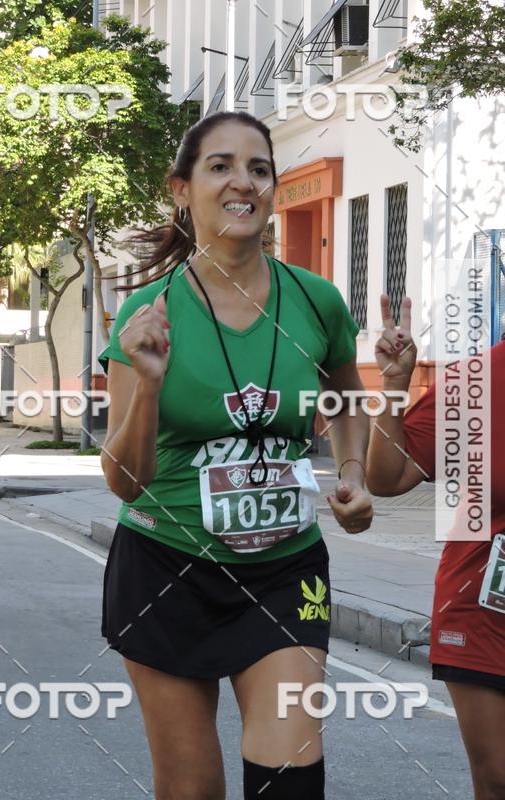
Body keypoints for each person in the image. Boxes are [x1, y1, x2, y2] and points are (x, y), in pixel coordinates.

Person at [98, 110, 373, 800]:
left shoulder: (316, 301)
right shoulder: (147, 316)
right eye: (220, 166)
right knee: (190, 788)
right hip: (164, 569)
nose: (242, 182)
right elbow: (125, 481)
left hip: (284, 571)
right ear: (182, 189)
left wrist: (352, 475)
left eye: (258, 168)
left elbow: (345, 400)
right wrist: (150, 387)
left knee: (289, 779)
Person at [367, 294, 505, 800]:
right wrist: (394, 387)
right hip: (483, 613)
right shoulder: (477, 381)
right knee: (498, 782)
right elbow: (386, 478)